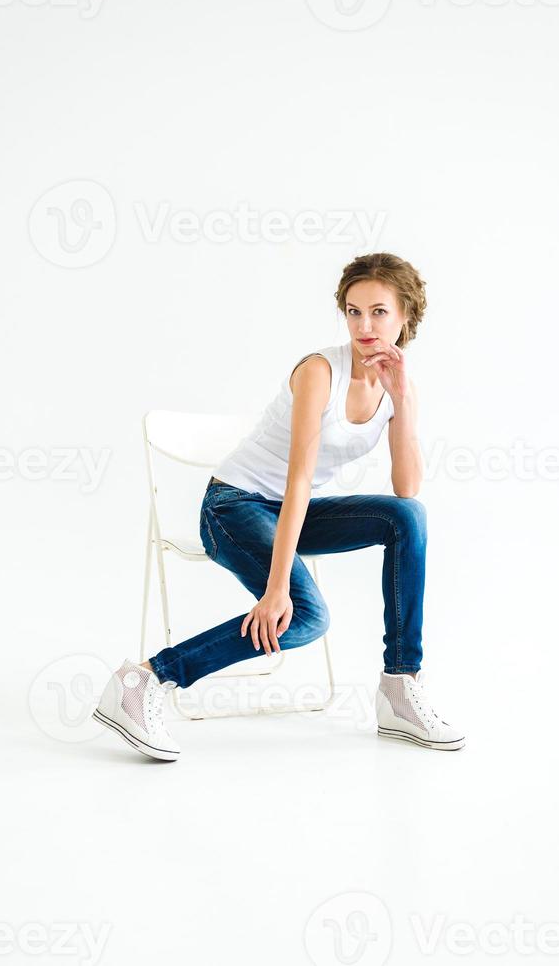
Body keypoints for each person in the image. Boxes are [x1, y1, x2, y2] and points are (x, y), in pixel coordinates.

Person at [93, 252, 465, 760]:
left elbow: (406, 487)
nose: (364, 325)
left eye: (378, 312)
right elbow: (299, 480)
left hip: (289, 514)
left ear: (405, 316)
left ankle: (399, 688)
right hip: (233, 507)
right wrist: (275, 589)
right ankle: (145, 680)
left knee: (408, 518)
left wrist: (405, 402)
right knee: (307, 617)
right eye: (354, 311)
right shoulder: (319, 371)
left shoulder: (397, 386)